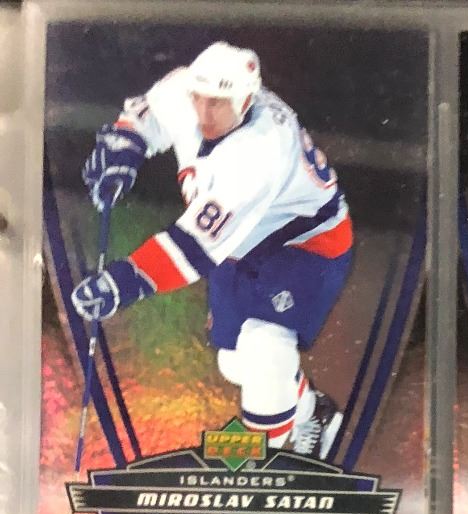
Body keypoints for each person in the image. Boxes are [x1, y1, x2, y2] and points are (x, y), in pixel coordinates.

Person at [71, 40, 352, 459]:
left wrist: (124, 283)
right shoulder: (185, 88)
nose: (203, 113)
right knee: (235, 362)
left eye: (217, 104)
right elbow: (147, 116)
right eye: (198, 99)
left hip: (304, 246)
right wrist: (125, 148)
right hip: (239, 244)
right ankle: (313, 412)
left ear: (246, 100)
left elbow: (193, 249)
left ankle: (260, 460)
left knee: (265, 347)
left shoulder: (261, 150)